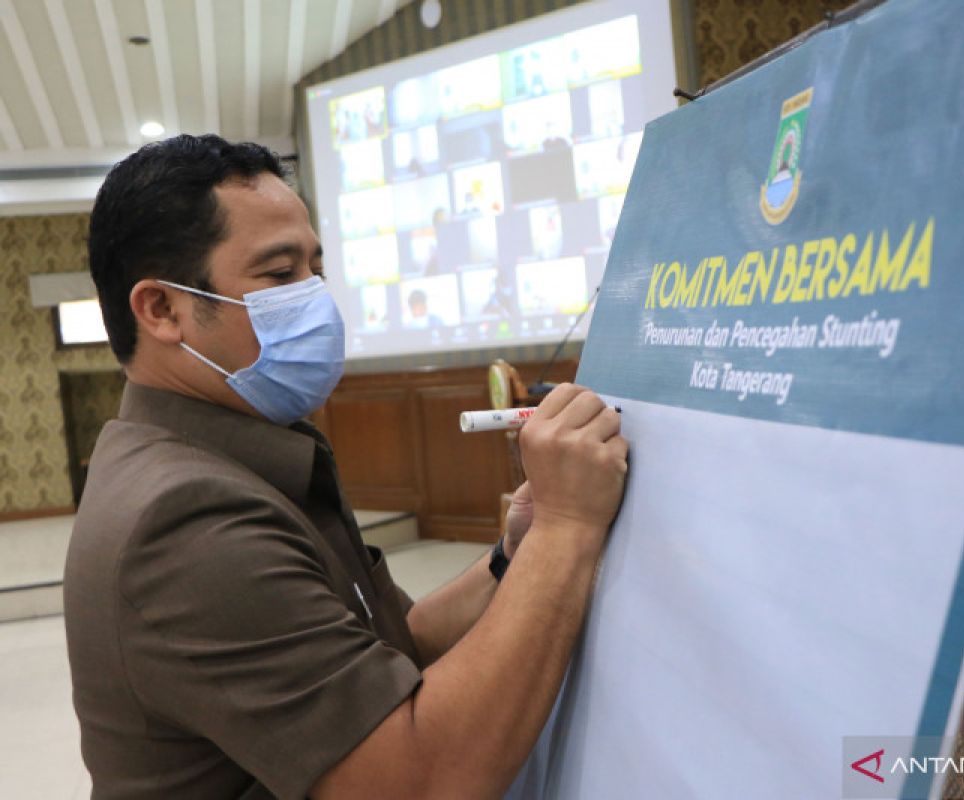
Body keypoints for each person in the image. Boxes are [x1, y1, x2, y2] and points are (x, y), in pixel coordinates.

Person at [64, 134, 629, 799]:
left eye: (315, 269)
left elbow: (393, 644)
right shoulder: (187, 522)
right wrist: (567, 528)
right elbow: (422, 782)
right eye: (279, 276)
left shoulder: (236, 453)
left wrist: (514, 556)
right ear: (163, 310)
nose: (317, 300)